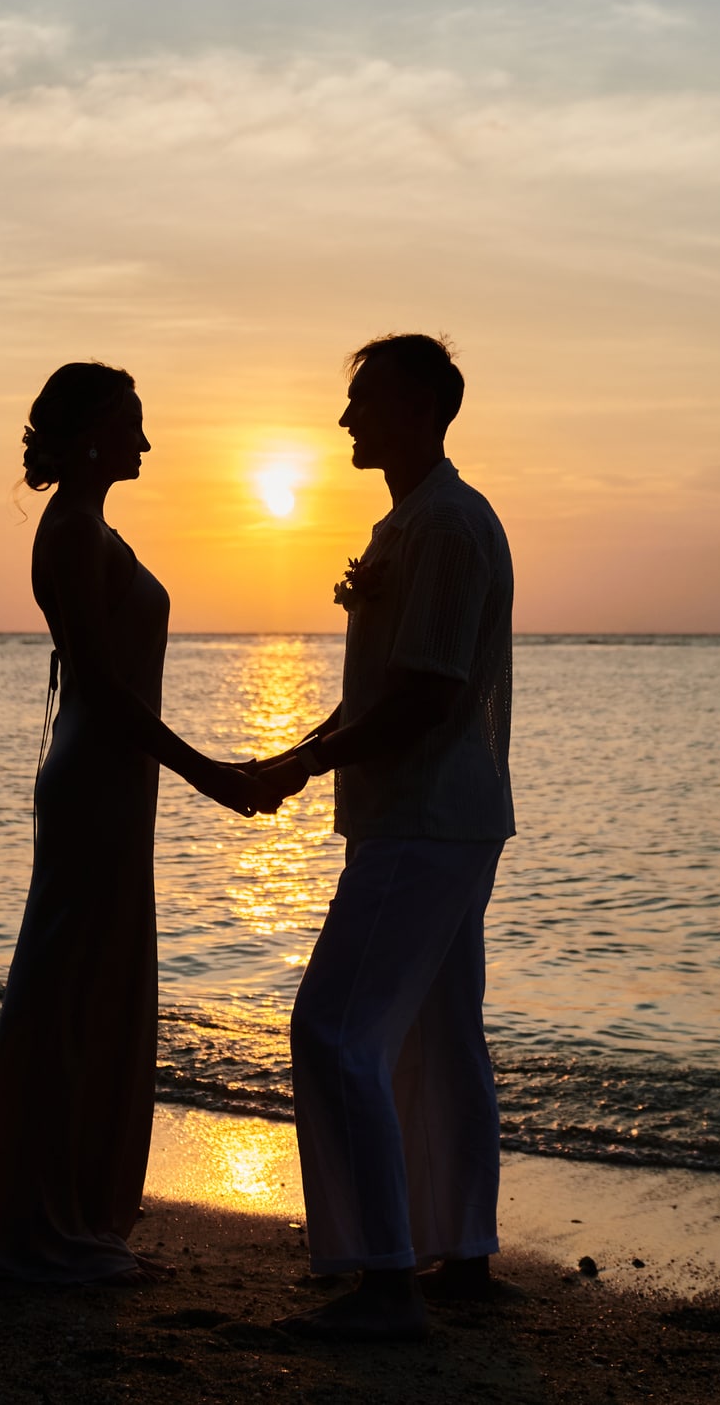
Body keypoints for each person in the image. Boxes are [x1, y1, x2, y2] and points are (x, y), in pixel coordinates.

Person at [0, 362, 282, 1284]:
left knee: (90, 987)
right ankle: (35, 1224)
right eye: (132, 423)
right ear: (89, 432)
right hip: (94, 781)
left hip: (115, 786)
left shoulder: (91, 529)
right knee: (66, 995)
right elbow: (104, 690)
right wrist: (213, 774)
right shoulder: (72, 535)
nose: (145, 441)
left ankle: (74, 1211)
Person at [246, 333, 516, 1341]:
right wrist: (298, 754)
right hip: (436, 815)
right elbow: (384, 692)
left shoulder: (445, 526)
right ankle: (461, 1255)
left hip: (426, 818)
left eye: (363, 400)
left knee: (332, 1029)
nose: (346, 418)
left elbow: (429, 696)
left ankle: (385, 1281)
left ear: (419, 408)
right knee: (440, 1037)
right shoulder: (412, 520)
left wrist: (308, 764)